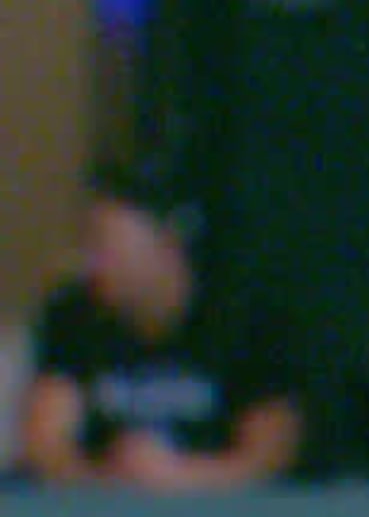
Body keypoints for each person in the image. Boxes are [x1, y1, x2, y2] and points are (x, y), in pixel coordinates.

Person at [13, 166, 304, 493]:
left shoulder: (248, 319)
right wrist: (107, 484)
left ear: (167, 237)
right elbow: (47, 444)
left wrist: (176, 478)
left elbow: (268, 457)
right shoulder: (74, 314)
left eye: (106, 243)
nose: (92, 261)